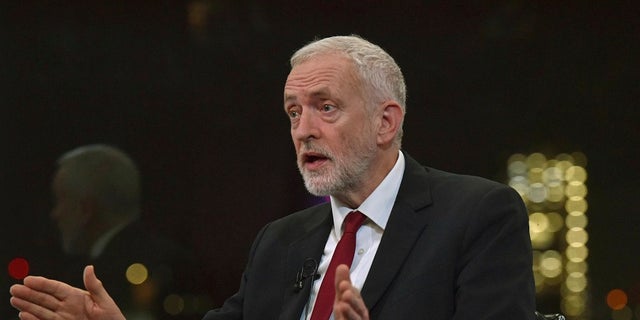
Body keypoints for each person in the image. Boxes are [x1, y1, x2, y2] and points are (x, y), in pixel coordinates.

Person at [10, 35, 536, 320]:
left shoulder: (477, 216)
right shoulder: (280, 243)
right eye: (292, 112)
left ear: (386, 122)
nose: (303, 130)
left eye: (325, 108)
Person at [24, 144, 197, 320]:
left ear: (85, 210)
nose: (55, 214)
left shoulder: (90, 280)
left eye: (60, 200)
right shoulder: (176, 259)